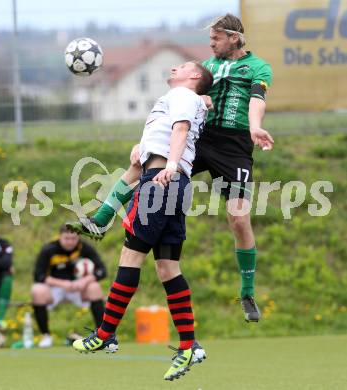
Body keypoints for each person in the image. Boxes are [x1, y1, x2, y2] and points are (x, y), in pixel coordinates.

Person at [67, 13, 274, 323]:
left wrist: (255, 127)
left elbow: (256, 99)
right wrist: (150, 142)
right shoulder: (208, 67)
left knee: (239, 219)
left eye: (215, 38)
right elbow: (188, 101)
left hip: (234, 148)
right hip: (201, 139)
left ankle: (247, 291)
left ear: (234, 37)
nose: (211, 43)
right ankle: (102, 217)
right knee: (144, 163)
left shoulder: (258, 67)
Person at [72, 61, 213, 381]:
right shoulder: (187, 99)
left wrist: (170, 164)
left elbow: (181, 129)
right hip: (174, 184)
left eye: (183, 66)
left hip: (161, 182)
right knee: (167, 268)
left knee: (130, 257)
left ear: (194, 78)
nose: (175, 66)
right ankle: (189, 345)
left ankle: (106, 333)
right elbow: (140, 162)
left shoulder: (182, 95)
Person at [31, 224, 108, 348]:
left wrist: (84, 281)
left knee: (94, 287)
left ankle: (102, 336)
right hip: (55, 289)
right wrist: (63, 284)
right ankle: (46, 336)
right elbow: (39, 276)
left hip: (79, 288)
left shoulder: (84, 248)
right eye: (67, 238)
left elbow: (102, 271)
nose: (70, 242)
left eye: (74, 238)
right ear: (60, 236)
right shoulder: (49, 249)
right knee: (37, 290)